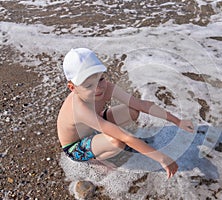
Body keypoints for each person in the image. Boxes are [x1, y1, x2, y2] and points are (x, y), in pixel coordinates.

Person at [57, 48, 194, 179]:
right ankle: (94, 160)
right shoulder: (79, 109)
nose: (99, 88)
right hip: (75, 146)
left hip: (95, 124)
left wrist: (177, 121)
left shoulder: (106, 88)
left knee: (133, 111)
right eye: (88, 86)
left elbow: (141, 104)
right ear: (72, 88)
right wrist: (162, 158)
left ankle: (100, 141)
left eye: (100, 79)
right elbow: (125, 136)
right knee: (117, 141)